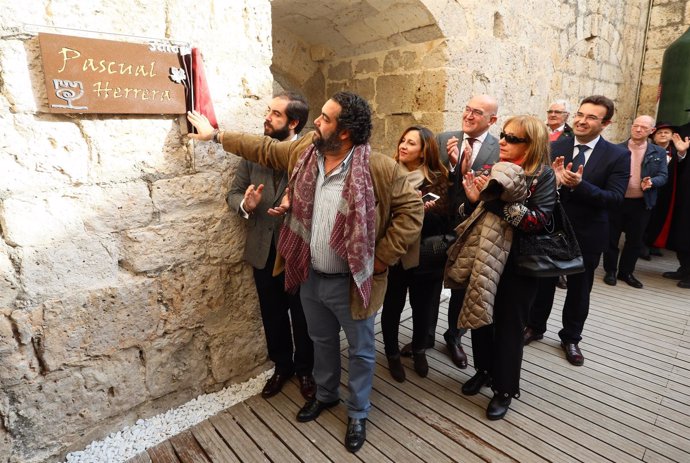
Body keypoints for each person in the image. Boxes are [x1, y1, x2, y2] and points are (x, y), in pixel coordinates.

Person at [187, 91, 423, 453]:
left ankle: (358, 411)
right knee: (322, 342)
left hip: (353, 282)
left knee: (360, 351)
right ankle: (327, 395)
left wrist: (380, 259)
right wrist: (215, 135)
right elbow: (261, 149)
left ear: (344, 132)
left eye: (326, 118)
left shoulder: (379, 168)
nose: (317, 121)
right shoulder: (304, 154)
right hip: (310, 276)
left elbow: (412, 213)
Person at [453, 115, 556, 420]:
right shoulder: (492, 168)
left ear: (531, 144)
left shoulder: (542, 176)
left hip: (518, 265)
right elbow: (467, 212)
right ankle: (483, 371)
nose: (503, 141)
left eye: (512, 138)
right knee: (481, 317)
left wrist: (493, 202)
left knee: (510, 328)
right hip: (484, 256)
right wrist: (472, 201)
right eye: (503, 135)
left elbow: (538, 223)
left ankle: (505, 389)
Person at [524, 95, 630, 366]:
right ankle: (535, 327)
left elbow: (615, 198)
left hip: (588, 234)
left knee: (579, 289)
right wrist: (554, 182)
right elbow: (533, 186)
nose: (582, 120)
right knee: (543, 283)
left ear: (605, 123)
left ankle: (571, 338)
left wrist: (579, 185)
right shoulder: (555, 145)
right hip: (550, 229)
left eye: (591, 117)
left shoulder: (618, 155)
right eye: (581, 114)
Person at [226, 91, 316, 401]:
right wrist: (245, 205)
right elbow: (234, 193)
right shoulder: (253, 153)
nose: (267, 117)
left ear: (294, 122)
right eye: (268, 111)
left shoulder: (310, 155)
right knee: (272, 314)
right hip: (263, 251)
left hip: (296, 253)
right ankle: (282, 367)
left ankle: (306, 369)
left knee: (303, 316)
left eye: (276, 114)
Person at [402, 95, 500, 370]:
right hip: (440, 230)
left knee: (461, 288)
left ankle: (454, 338)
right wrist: (456, 169)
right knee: (430, 288)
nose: (468, 116)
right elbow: (436, 179)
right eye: (466, 109)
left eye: (477, 113)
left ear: (491, 120)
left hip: (475, 230)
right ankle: (425, 338)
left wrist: (465, 170)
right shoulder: (445, 139)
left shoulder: (497, 149)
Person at [381, 126, 451, 382]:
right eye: (403, 140)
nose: (403, 146)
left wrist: (425, 212)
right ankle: (391, 353)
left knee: (423, 309)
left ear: (424, 152)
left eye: (411, 143)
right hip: (395, 255)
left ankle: (419, 349)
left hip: (426, 257)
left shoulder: (438, 180)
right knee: (392, 307)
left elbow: (445, 222)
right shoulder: (386, 174)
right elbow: (379, 216)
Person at [602, 115, 667, 288]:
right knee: (611, 238)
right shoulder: (616, 149)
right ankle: (610, 271)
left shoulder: (658, 152)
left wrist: (653, 182)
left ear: (651, 131)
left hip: (641, 202)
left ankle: (626, 272)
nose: (638, 130)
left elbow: (663, 175)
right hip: (617, 200)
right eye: (635, 126)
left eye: (643, 128)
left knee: (634, 241)